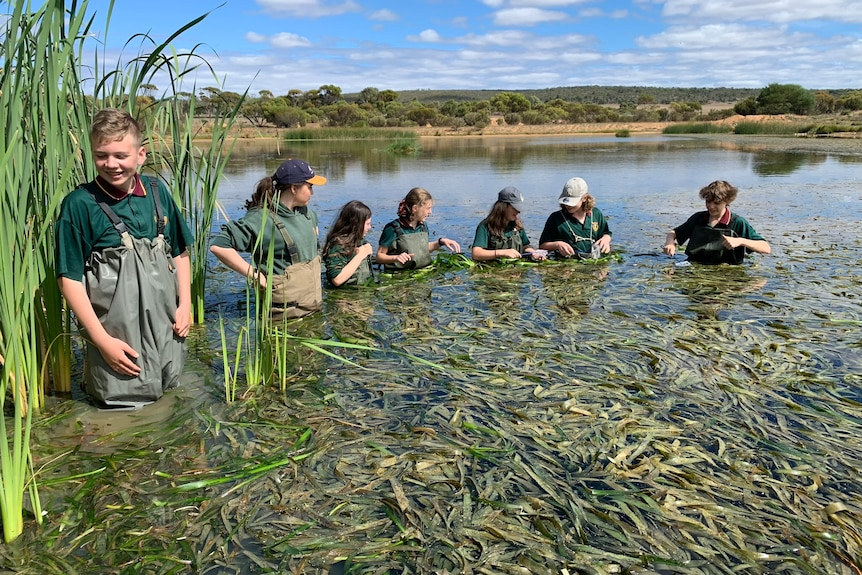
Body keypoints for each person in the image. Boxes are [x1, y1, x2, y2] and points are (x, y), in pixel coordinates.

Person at [55, 108, 193, 408]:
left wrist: (186, 305)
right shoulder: (79, 205)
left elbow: (181, 250)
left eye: (120, 155)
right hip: (118, 337)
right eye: (101, 155)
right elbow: (69, 280)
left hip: (168, 329)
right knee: (123, 412)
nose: (111, 164)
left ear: (140, 154)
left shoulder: (158, 192)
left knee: (172, 399)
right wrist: (102, 342)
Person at [210, 158, 326, 318]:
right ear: (294, 188)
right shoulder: (261, 219)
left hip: (313, 309)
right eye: (310, 186)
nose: (312, 192)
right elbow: (219, 246)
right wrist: (255, 275)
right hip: (282, 320)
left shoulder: (307, 214)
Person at [662, 180, 771, 264]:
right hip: (694, 266)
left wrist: (740, 241)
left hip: (727, 275)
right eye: (708, 202)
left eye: (716, 203)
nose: (711, 206)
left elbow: (766, 248)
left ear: (727, 201)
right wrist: (670, 243)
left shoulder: (737, 222)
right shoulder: (698, 218)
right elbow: (673, 232)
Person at [376, 187, 461, 272]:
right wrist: (396, 258)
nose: (430, 212)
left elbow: (422, 248)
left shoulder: (423, 226)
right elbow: (379, 257)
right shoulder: (392, 229)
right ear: (415, 208)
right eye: (428, 208)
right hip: (400, 275)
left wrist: (440, 242)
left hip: (421, 272)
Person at [539, 177, 612, 259]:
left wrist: (606, 239)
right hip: (568, 265)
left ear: (584, 198)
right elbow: (542, 246)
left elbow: (607, 233)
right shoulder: (555, 218)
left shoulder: (596, 214)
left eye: (572, 202)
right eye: (566, 201)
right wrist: (557, 244)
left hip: (595, 262)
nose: (568, 205)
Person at [471, 186, 547, 262]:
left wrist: (533, 252)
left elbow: (525, 246)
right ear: (503, 207)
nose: (518, 211)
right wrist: (502, 253)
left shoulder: (517, 226)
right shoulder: (485, 226)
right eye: (515, 208)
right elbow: (476, 254)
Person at [322, 200, 375, 287]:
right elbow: (337, 279)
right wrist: (360, 255)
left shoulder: (360, 241)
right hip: (344, 297)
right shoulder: (338, 245)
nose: (370, 227)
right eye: (367, 224)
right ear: (356, 224)